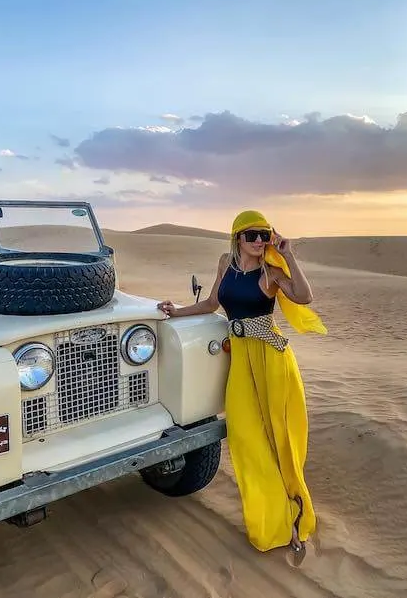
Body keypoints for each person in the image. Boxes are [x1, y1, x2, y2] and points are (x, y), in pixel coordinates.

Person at [157, 209, 327, 554]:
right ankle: (268, 515)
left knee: (278, 438)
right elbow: (211, 303)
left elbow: (304, 297)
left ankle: (294, 518)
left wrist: (289, 253)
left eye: (265, 234)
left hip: (271, 361)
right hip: (241, 361)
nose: (260, 241)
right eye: (252, 235)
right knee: (245, 436)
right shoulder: (226, 263)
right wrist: (177, 310)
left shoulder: (271, 272)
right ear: (237, 239)